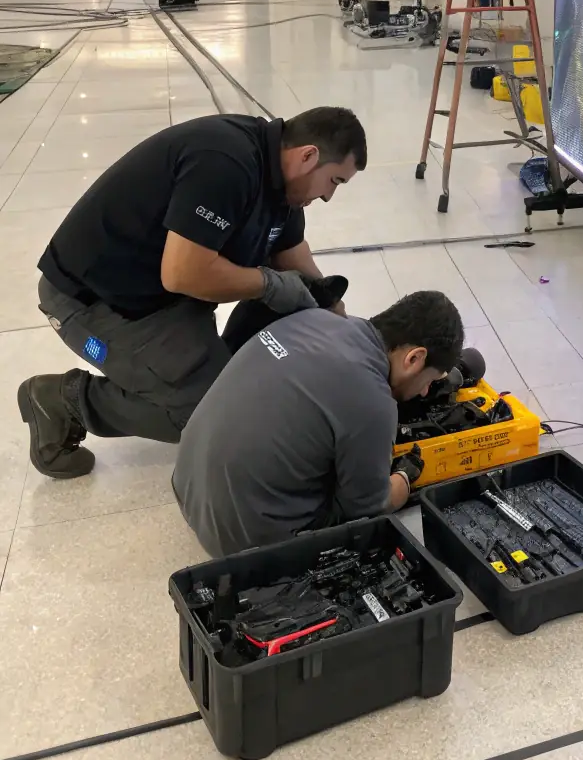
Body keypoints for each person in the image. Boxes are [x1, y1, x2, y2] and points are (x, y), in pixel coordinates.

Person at [19, 106, 368, 479]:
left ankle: (218, 371)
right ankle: (63, 401)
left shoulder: (281, 180)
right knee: (209, 415)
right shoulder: (225, 164)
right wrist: (267, 283)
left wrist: (331, 307)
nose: (330, 196)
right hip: (96, 300)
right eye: (335, 181)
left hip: (164, 296)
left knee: (287, 308)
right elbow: (182, 272)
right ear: (308, 156)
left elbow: (290, 251)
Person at [171, 290, 465, 556]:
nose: (425, 391)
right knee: (361, 519)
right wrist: (404, 477)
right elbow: (370, 507)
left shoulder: (314, 318)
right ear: (414, 358)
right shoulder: (372, 400)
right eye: (429, 380)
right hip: (244, 542)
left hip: (187, 487)